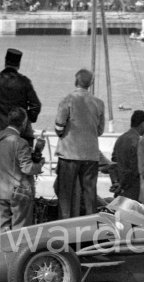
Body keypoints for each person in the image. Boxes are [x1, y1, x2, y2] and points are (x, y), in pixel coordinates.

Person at [54, 68, 105, 219]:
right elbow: (100, 131)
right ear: (91, 84)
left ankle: (64, 229)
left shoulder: (67, 101)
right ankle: (90, 230)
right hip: (91, 156)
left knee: (66, 198)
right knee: (90, 197)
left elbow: (59, 127)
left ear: (76, 81)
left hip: (69, 155)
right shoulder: (99, 103)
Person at [0, 107, 45, 232]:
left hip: (0, 190)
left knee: (2, 229)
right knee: (20, 230)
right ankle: (18, 251)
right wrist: (40, 163)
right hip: (19, 191)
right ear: (24, 122)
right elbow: (27, 169)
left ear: (9, 120)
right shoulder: (20, 142)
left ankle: (3, 250)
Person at [112, 110, 144, 201]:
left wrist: (118, 183)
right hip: (133, 189)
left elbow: (114, 161)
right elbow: (135, 169)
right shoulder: (138, 142)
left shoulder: (120, 139)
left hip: (121, 187)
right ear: (143, 124)